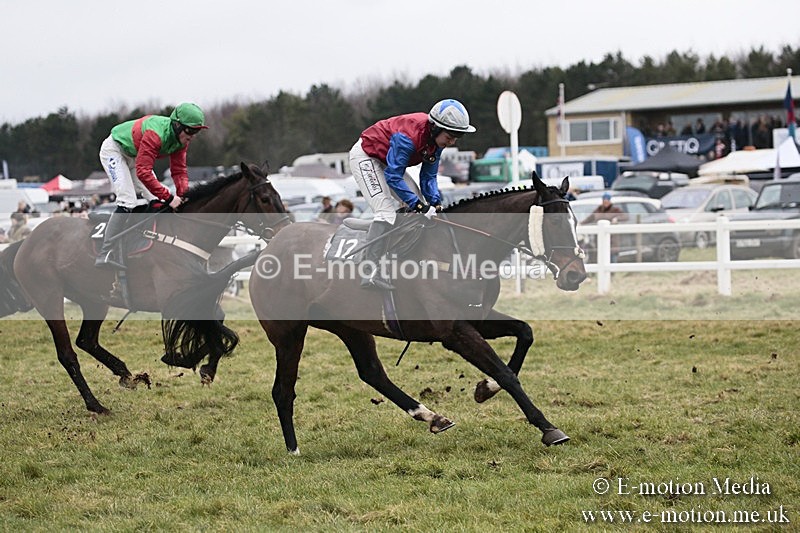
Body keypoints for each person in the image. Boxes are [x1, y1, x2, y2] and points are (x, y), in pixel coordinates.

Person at [349, 98, 476, 289]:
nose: (452, 141)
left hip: (386, 160)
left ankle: (399, 257)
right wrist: (419, 206)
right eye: (450, 135)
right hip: (366, 157)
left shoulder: (436, 143)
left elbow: (428, 177)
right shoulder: (408, 137)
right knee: (386, 211)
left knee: (420, 205)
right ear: (435, 128)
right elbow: (393, 176)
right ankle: (370, 271)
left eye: (458, 136)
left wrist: (435, 202)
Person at [95, 102, 208, 269]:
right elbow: (143, 172)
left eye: (197, 131)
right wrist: (170, 198)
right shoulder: (155, 134)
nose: (192, 136)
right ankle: (105, 253)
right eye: (190, 130)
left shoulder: (182, 140)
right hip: (115, 151)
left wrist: (183, 197)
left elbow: (179, 171)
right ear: (177, 126)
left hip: (135, 156)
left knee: (157, 200)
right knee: (127, 200)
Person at [583, 192, 627, 262]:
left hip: (612, 239)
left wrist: (617, 219)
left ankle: (612, 271)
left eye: (607, 201)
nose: (606, 203)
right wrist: (581, 223)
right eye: (604, 201)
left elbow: (624, 216)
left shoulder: (615, 210)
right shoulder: (598, 210)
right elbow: (590, 218)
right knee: (600, 255)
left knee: (612, 255)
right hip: (599, 238)